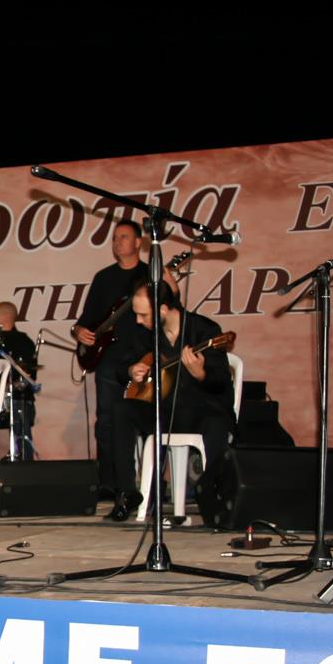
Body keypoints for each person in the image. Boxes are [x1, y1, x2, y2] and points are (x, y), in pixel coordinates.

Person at [101, 281, 235, 522]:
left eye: (143, 315)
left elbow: (222, 383)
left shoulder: (205, 330)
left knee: (216, 423)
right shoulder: (145, 335)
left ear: (163, 309)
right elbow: (121, 370)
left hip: (200, 412)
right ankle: (127, 492)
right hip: (162, 412)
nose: (138, 321)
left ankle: (213, 492)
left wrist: (201, 374)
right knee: (122, 409)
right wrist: (132, 370)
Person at [73, 220, 150, 494]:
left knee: (147, 418)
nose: (118, 242)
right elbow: (86, 319)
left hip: (144, 356)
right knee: (106, 419)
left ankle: (150, 482)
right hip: (110, 358)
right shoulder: (103, 277)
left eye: (124, 237)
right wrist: (79, 331)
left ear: (139, 242)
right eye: (115, 237)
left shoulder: (149, 274)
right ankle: (108, 482)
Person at [0, 301, 39, 459]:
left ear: (5, 316)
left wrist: (5, 387)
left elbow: (28, 378)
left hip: (17, 399)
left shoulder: (24, 343)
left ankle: (24, 463)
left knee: (19, 408)